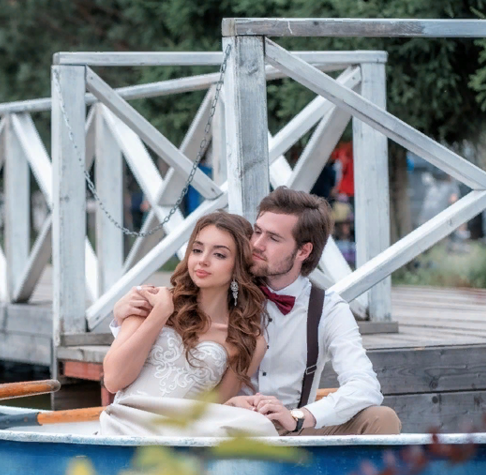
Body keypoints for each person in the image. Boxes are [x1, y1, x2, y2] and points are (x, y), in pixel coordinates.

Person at [113, 188, 400, 436]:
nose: (257, 245)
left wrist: (300, 417)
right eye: (257, 232)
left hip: (289, 427)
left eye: (273, 239)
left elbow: (364, 385)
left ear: (303, 251)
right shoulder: (223, 284)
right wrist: (122, 315)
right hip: (227, 423)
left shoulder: (327, 309)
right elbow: (171, 338)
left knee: (381, 418)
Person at [98, 211, 276, 438]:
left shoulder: (249, 342)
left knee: (260, 427)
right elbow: (113, 380)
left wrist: (236, 405)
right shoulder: (151, 301)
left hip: (178, 437)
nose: (203, 260)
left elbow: (214, 409)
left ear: (237, 266)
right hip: (125, 425)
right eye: (197, 250)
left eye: (219, 255)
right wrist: (160, 315)